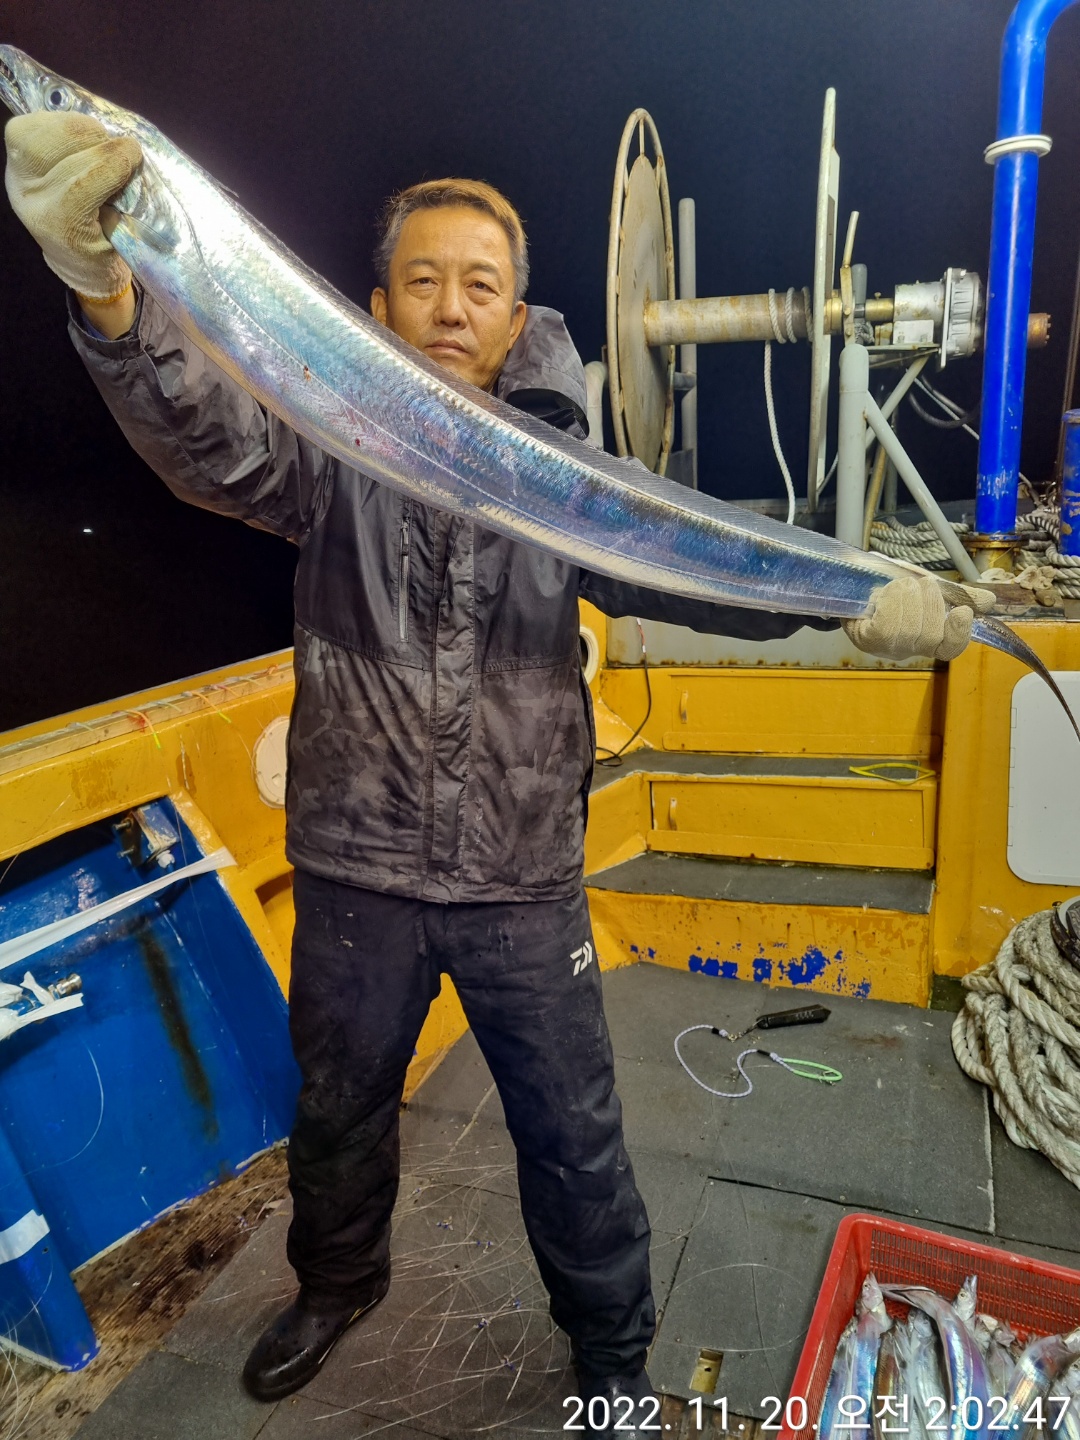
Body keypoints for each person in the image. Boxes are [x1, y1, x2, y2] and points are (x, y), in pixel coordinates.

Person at [5, 112, 984, 1434]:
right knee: (341, 1112)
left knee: (573, 1132)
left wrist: (854, 600)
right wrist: (110, 298)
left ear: (518, 315)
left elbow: (689, 565)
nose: (451, 306)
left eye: (479, 284)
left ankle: (612, 1351)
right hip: (355, 866)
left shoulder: (562, 476)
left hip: (522, 872)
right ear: (376, 307)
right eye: (422, 280)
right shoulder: (328, 448)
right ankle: (337, 1285)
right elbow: (204, 440)